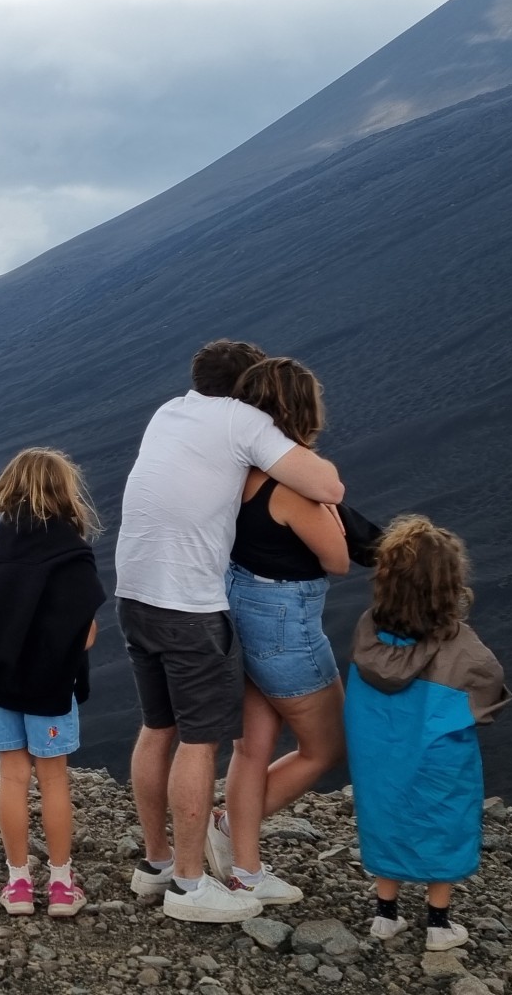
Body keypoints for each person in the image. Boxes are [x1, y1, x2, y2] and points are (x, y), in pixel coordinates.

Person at [116, 339, 344, 923]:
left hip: (133, 591)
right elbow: (327, 487)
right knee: (200, 741)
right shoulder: (244, 421)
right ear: (247, 388)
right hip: (189, 604)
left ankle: (158, 864)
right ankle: (191, 889)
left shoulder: (170, 411)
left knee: (156, 727)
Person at [205, 357, 350, 903]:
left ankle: (244, 867)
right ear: (302, 410)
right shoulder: (293, 488)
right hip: (285, 627)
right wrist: (330, 503)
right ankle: (228, 831)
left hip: (234, 614)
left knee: (252, 748)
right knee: (325, 746)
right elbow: (337, 559)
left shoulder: (232, 472)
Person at [0, 447, 107, 918]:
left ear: (8, 490)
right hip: (50, 690)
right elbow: (86, 634)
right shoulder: (72, 555)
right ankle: (61, 885)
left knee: (12, 778)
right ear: (65, 493)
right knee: (54, 780)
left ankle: (18, 884)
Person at [344, 514, 509, 951]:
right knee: (443, 818)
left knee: (384, 812)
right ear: (449, 585)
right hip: (440, 755)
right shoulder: (458, 641)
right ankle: (438, 924)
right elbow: (489, 679)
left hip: (379, 755)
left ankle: (386, 914)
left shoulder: (368, 632)